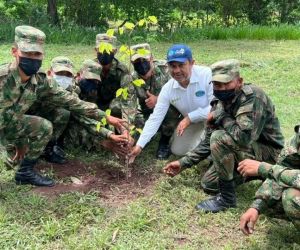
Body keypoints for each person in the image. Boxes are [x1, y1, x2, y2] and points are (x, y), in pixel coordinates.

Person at [0, 25, 125, 187]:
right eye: (27, 53)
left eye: (37, 54)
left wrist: (107, 117)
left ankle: (25, 172)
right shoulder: (3, 78)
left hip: (10, 125)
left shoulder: (40, 81)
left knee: (44, 127)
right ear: (14, 51)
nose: (32, 58)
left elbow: (71, 102)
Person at [163, 59, 285, 213]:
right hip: (243, 150)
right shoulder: (219, 101)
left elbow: (243, 138)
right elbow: (208, 141)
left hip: (269, 152)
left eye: (226, 84)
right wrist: (183, 163)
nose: (221, 88)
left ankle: (227, 199)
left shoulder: (253, 98)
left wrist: (221, 116)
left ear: (239, 81)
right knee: (209, 184)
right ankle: (254, 173)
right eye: (216, 84)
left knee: (219, 137)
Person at [129, 44, 213, 162]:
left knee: (216, 141)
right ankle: (203, 139)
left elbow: (216, 108)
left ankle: (212, 143)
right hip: (192, 123)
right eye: (173, 66)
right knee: (177, 150)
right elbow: (156, 118)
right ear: (168, 66)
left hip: (213, 118)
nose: (177, 70)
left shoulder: (207, 75)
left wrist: (189, 118)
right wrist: (139, 146)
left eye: (181, 65)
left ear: (192, 63)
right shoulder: (168, 89)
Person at [239, 124, 300, 234]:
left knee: (292, 198)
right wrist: (257, 207)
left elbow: (276, 172)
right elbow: (281, 173)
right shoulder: (296, 141)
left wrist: (266, 168)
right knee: (273, 203)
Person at [64, 59, 130, 153]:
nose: (91, 83)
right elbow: (81, 116)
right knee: (81, 134)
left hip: (83, 119)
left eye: (95, 81)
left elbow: (92, 112)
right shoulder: (70, 89)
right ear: (79, 74)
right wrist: (109, 135)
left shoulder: (92, 91)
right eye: (88, 79)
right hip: (69, 119)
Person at [130, 43, 181, 159]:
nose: (142, 65)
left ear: (151, 58)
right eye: (137, 62)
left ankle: (165, 141)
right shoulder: (132, 78)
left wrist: (159, 100)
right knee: (136, 138)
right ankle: (151, 132)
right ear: (132, 63)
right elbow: (130, 104)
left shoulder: (167, 70)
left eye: (145, 60)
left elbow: (181, 94)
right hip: (147, 112)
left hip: (169, 110)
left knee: (171, 111)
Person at [27, 56, 77, 164]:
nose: (64, 78)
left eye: (68, 75)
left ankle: (48, 149)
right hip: (27, 116)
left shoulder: (70, 90)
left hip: (46, 118)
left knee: (64, 113)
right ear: (50, 72)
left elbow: (80, 108)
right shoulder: (39, 84)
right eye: (60, 74)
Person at [94, 33, 132, 118]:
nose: (104, 52)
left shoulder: (122, 70)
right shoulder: (89, 68)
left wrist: (126, 124)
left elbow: (128, 97)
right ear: (95, 50)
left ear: (115, 51)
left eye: (108, 49)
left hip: (114, 106)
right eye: (101, 49)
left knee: (116, 107)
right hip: (94, 107)